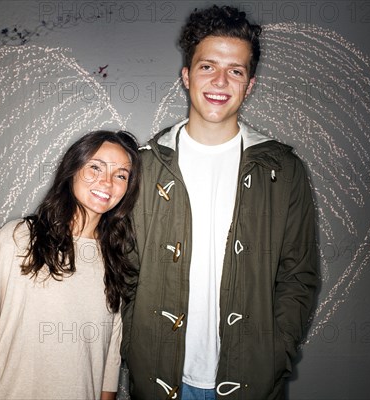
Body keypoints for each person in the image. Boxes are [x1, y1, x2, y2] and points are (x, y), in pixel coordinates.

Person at [121, 5, 319, 400]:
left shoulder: (283, 169)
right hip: (159, 378)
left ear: (250, 85)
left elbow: (299, 275)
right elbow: (123, 271)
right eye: (207, 66)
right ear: (186, 75)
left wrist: (276, 354)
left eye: (236, 70)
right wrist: (132, 346)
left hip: (252, 380)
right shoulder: (144, 165)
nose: (220, 81)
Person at [0, 130, 142, 400]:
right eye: (95, 167)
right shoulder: (17, 239)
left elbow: (109, 357)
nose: (106, 182)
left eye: (120, 174)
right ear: (72, 170)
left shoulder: (116, 259)